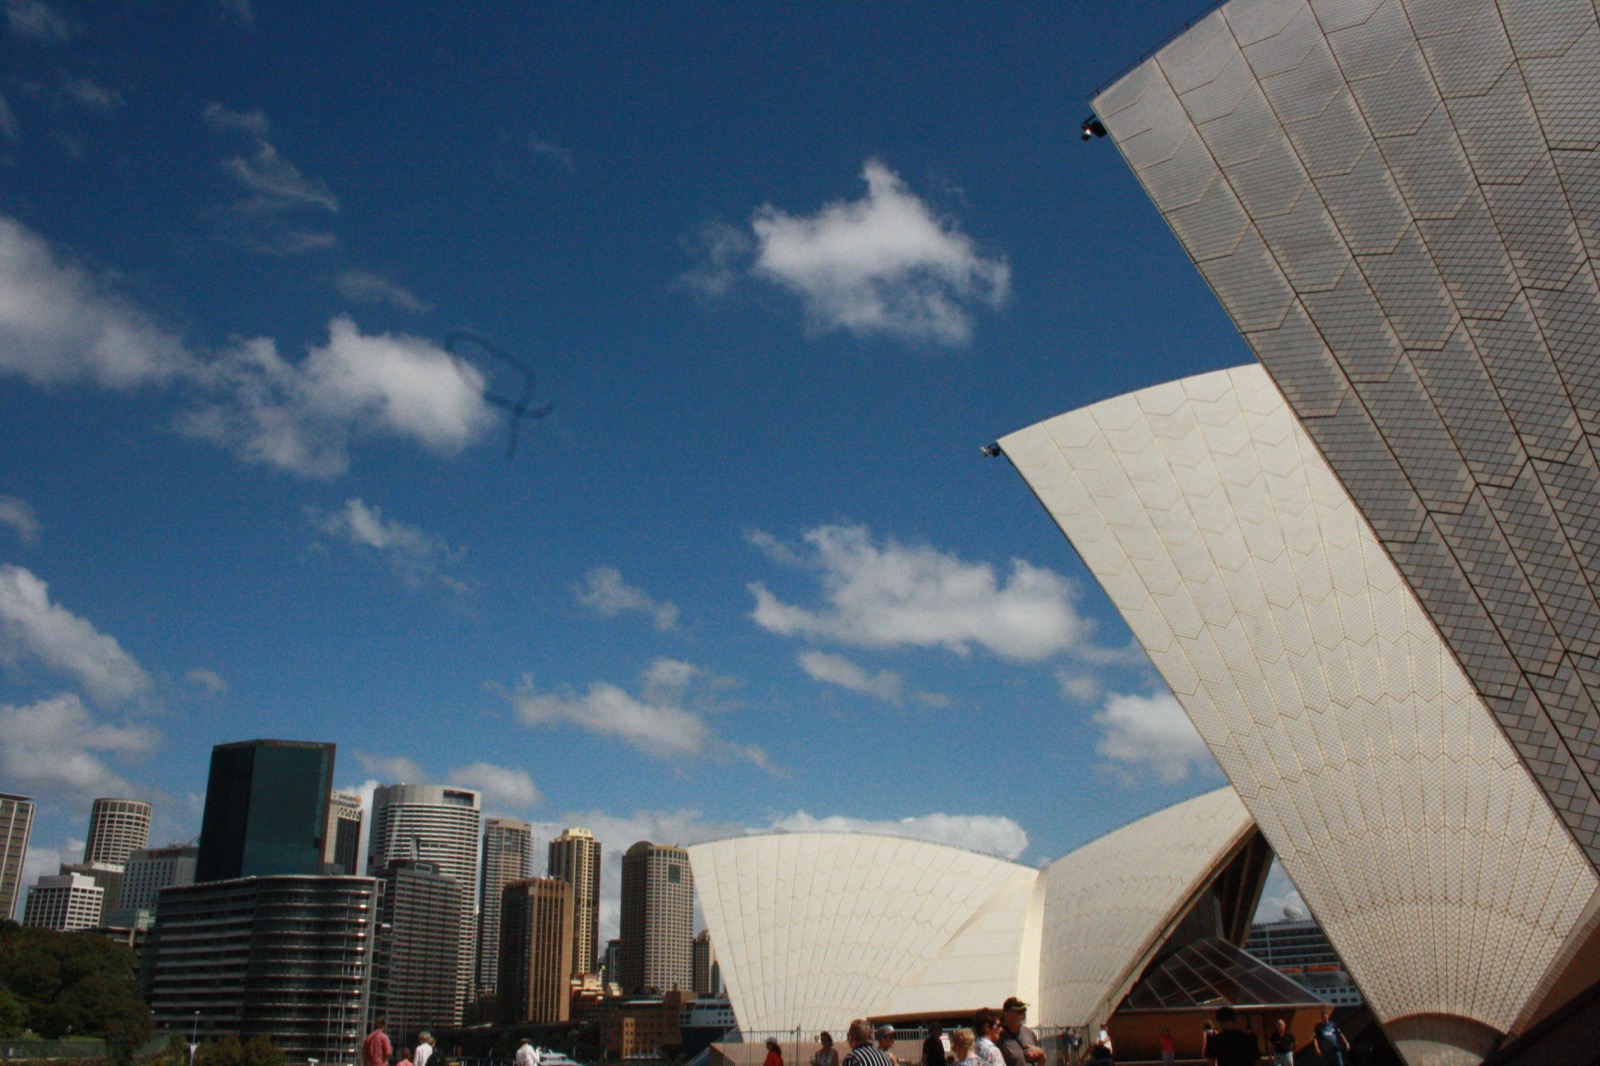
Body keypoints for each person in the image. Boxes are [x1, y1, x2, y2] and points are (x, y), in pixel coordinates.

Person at [997, 998, 1045, 1066]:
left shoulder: (1030, 1033)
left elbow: (1041, 1061)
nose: (1023, 1014)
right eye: (1019, 1012)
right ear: (1007, 1015)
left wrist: (1041, 1053)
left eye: (1024, 1010)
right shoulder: (999, 1036)